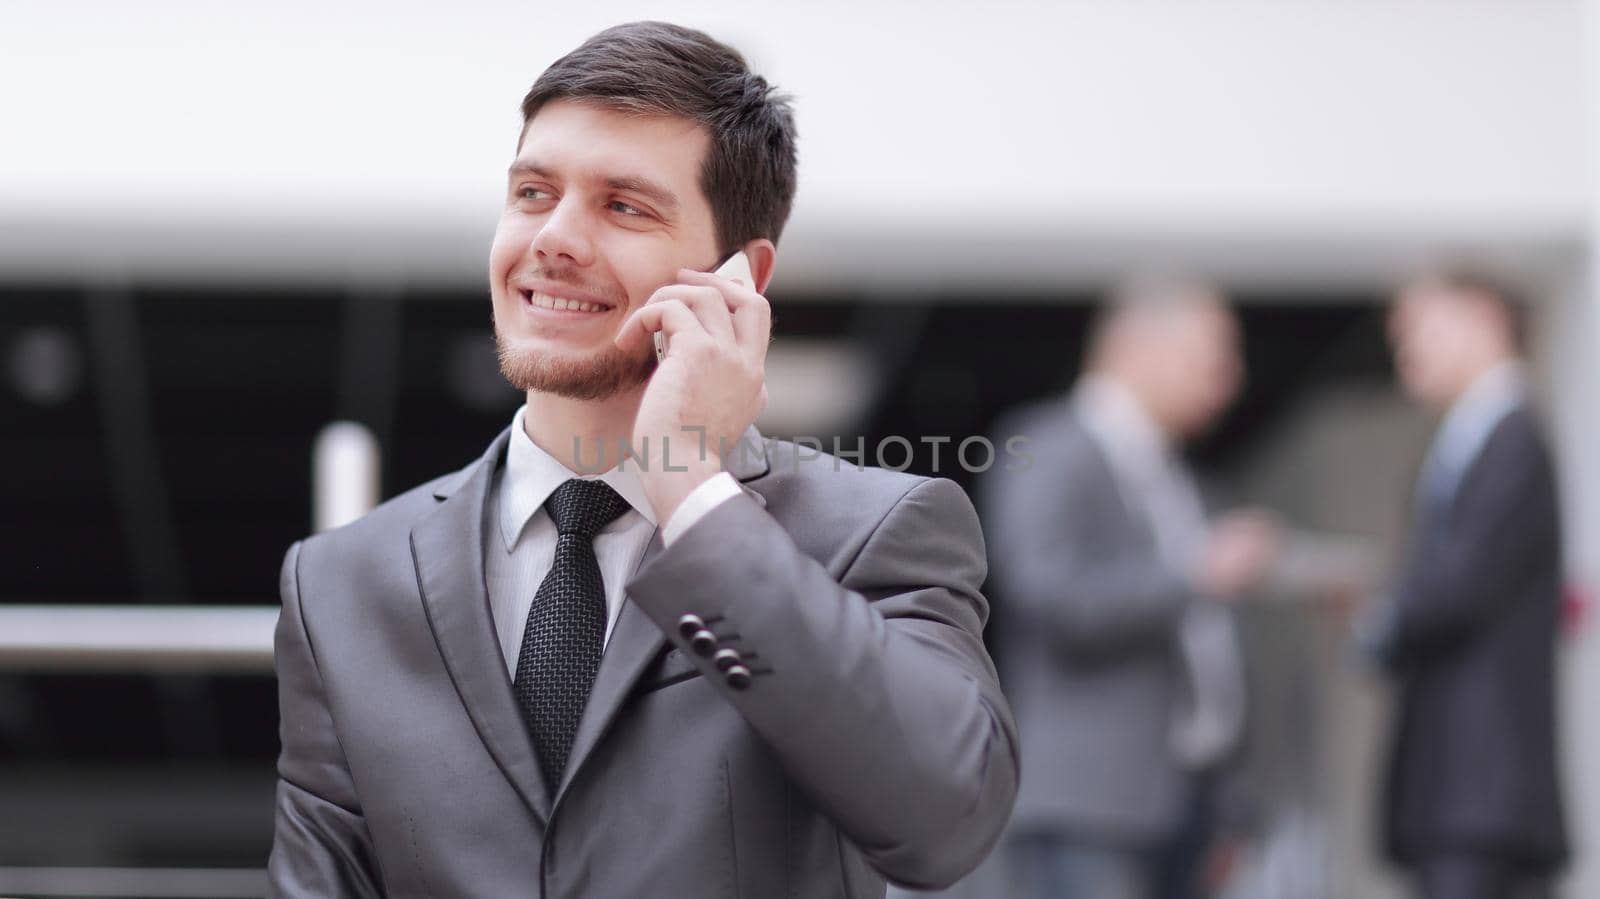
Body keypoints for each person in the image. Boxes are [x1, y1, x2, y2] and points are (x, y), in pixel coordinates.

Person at [267, 22, 1018, 898]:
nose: (555, 237)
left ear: (740, 274)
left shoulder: (875, 531)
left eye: (624, 205)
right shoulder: (340, 583)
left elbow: (945, 820)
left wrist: (690, 488)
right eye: (533, 192)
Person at [981, 279, 1278, 899]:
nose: (1228, 379)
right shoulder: (1045, 447)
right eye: (1212, 355)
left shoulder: (1183, 479)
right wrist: (1197, 572)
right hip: (1090, 804)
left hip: (1190, 804)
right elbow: (1046, 595)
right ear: (1137, 346)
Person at [1361, 271, 1567, 899]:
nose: (1405, 351)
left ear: (1482, 317)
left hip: (1482, 792)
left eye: (1416, 329)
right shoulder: (1467, 441)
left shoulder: (1512, 439)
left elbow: (1456, 588)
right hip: (1464, 795)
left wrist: (1379, 619)